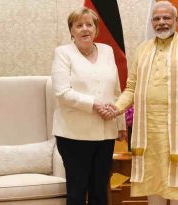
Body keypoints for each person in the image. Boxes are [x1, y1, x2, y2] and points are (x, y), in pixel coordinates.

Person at [101, 1, 178, 205]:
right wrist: (116, 108)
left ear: (176, 21)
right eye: (157, 19)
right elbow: (131, 88)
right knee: (153, 191)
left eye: (166, 18)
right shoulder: (143, 49)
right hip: (148, 134)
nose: (161, 22)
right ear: (152, 22)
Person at [51, 7, 127, 205]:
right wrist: (95, 104)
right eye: (79, 25)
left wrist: (120, 124)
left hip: (106, 133)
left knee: (100, 191)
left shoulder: (108, 51)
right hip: (73, 135)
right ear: (72, 31)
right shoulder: (63, 53)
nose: (85, 29)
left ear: (96, 29)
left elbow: (116, 91)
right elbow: (62, 93)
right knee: (77, 192)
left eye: (89, 24)